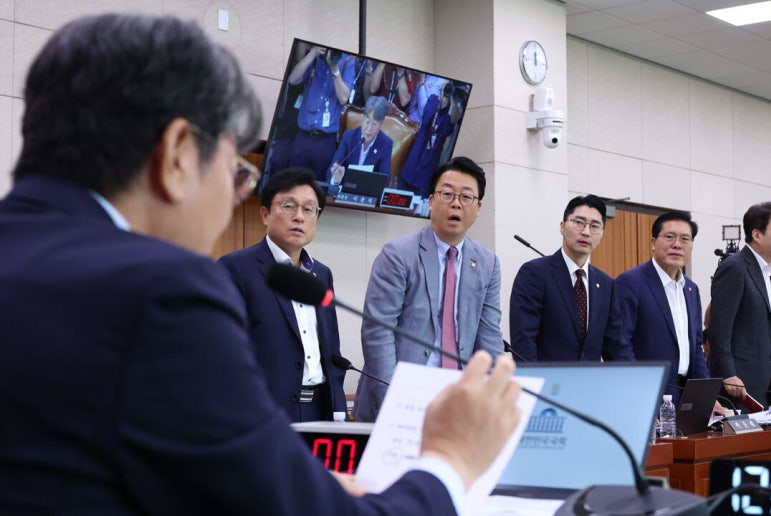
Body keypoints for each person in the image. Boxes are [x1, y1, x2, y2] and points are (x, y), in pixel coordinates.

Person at [0, 14, 523, 514]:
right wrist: (451, 462)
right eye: (235, 169)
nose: (233, 196)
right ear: (179, 153)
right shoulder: (161, 294)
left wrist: (301, 483)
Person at [353, 156, 505, 422]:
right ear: (431, 200)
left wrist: (496, 398)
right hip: (404, 395)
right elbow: (378, 333)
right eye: (447, 194)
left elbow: (489, 336)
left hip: (458, 402)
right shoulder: (398, 254)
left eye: (466, 197)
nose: (456, 203)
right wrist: (394, 401)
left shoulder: (487, 263)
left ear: (478, 208)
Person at [218, 168, 347, 422]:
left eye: (309, 209)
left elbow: (332, 352)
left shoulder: (321, 275)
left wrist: (338, 410)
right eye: (289, 206)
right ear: (265, 214)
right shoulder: (235, 268)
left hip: (318, 410)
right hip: (262, 412)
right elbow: (225, 354)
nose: (299, 217)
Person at [509, 194, 635, 362]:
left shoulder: (606, 284)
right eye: (579, 223)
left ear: (602, 233)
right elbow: (524, 342)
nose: (586, 232)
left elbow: (616, 346)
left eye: (594, 226)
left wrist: (638, 376)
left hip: (590, 379)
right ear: (562, 227)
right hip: (546, 378)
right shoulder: (534, 273)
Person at [615, 212, 710, 405]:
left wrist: (706, 395)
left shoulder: (691, 289)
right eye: (669, 237)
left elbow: (696, 347)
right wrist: (640, 396)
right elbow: (620, 346)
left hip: (687, 394)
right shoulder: (631, 282)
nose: (677, 245)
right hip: (648, 393)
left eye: (685, 239)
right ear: (653, 242)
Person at [708, 202, 771, 411]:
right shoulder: (734, 267)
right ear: (757, 234)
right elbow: (719, 328)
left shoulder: (769, 273)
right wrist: (728, 373)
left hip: (764, 382)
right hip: (737, 384)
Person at [286, 46, 357, 180]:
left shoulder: (347, 62)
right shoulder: (314, 58)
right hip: (303, 137)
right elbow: (292, 80)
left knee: (317, 185)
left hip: (325, 141)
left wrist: (334, 68)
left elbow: (343, 98)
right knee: (292, 182)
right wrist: (312, 53)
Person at [399, 81, 455, 197]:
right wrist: (440, 101)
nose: (446, 93)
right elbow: (426, 119)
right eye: (444, 89)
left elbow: (445, 131)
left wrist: (450, 106)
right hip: (412, 164)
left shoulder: (450, 114)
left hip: (426, 172)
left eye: (448, 91)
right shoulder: (433, 100)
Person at [327, 95, 393, 184]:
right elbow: (332, 169)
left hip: (368, 191)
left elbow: (384, 180)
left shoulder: (386, 144)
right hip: (345, 188)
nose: (369, 128)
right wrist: (336, 179)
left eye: (375, 124)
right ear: (363, 118)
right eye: (367, 122)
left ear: (381, 124)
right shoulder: (349, 137)